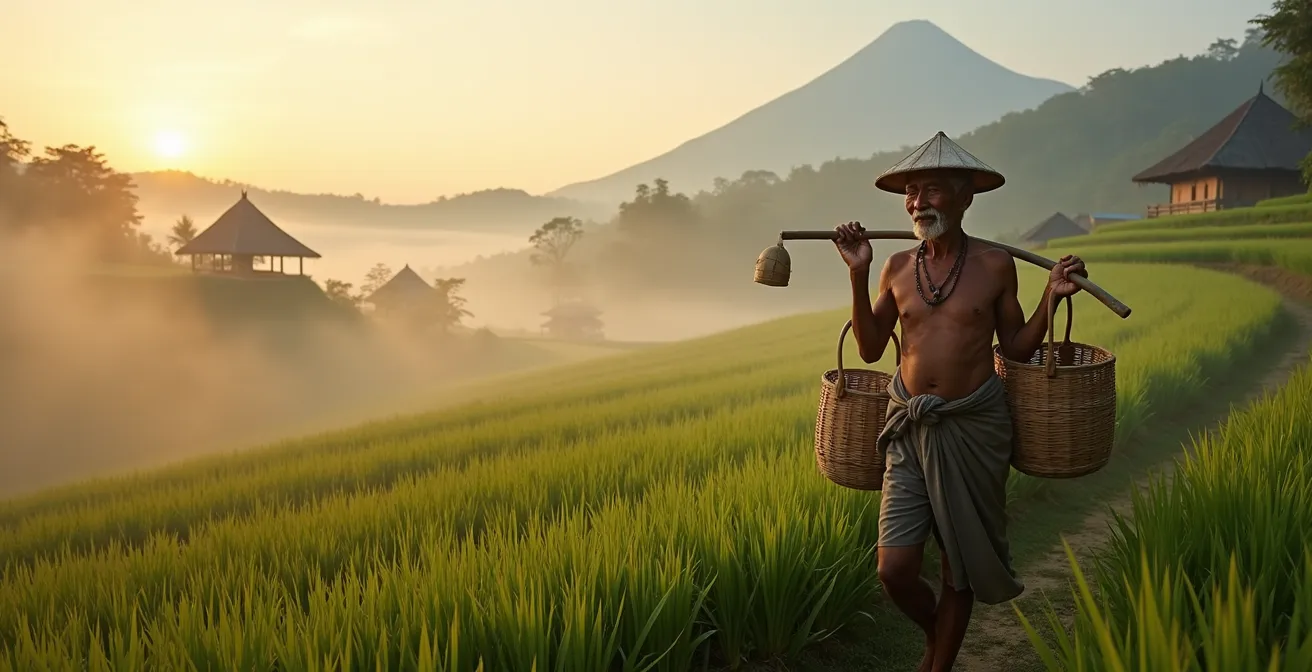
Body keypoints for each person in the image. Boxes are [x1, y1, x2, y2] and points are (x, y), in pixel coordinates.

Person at [832, 132, 1086, 672]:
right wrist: (857, 271)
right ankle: (939, 635)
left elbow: (1016, 348)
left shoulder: (995, 264)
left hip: (974, 426)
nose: (918, 201)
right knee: (895, 569)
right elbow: (872, 347)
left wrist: (1050, 297)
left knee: (958, 564)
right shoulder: (896, 266)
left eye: (932, 190)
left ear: (965, 196)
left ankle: (938, 663)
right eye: (912, 192)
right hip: (909, 427)